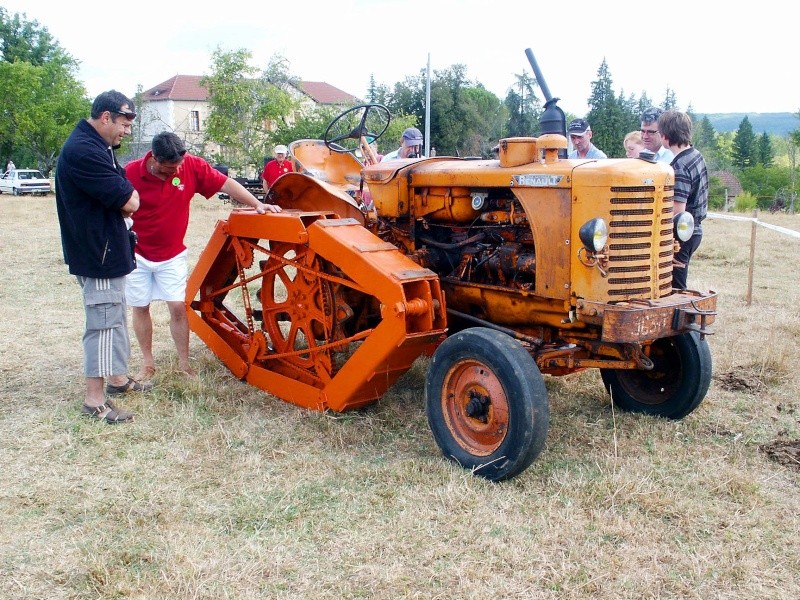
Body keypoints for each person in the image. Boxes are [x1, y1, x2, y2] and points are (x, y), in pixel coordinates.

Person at [125, 132, 282, 380]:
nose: (175, 173)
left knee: (178, 307)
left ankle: (185, 364)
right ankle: (147, 363)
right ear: (154, 158)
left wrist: (257, 204)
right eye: (168, 169)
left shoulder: (192, 166)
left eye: (178, 167)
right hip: (137, 254)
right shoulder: (131, 173)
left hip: (172, 254)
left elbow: (225, 183)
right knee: (140, 306)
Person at [55, 90, 148, 424]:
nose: (126, 131)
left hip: (107, 248)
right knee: (103, 323)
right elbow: (130, 201)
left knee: (113, 316)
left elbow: (124, 190)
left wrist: (126, 193)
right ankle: (94, 401)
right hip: (99, 253)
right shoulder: (84, 150)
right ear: (106, 117)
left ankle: (117, 380)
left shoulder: (99, 147)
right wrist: (128, 196)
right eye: (123, 124)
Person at [657, 110, 708, 290]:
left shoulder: (679, 167)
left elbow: (678, 211)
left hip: (683, 235)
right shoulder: (696, 155)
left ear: (665, 136)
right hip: (696, 230)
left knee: (674, 287)